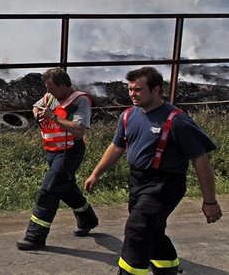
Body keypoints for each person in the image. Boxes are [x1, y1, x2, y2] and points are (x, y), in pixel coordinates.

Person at [84, 66, 223, 275]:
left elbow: (200, 160)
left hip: (165, 185)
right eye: (130, 89)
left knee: (137, 229)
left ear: (156, 90)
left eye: (138, 89)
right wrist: (96, 174)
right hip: (138, 181)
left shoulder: (178, 121)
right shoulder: (127, 116)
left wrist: (210, 201)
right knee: (152, 229)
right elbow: (116, 147)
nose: (132, 94)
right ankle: (167, 269)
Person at [16, 67, 99, 251]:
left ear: (63, 86)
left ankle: (35, 236)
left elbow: (79, 129)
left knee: (48, 191)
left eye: (50, 87)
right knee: (66, 187)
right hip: (53, 151)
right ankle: (88, 219)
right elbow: (37, 105)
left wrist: (52, 116)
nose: (47, 91)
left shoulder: (80, 100)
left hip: (70, 152)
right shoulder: (50, 97)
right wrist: (37, 113)